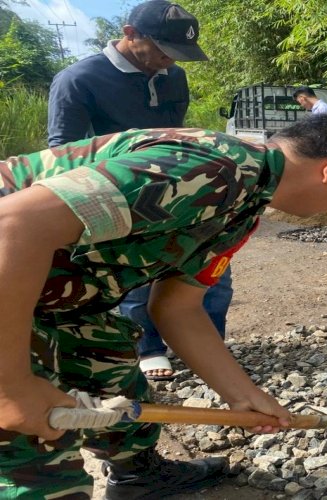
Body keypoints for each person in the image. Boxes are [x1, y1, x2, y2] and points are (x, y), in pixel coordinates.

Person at [0, 113, 327, 498]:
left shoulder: (245, 205)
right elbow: (13, 223)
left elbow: (177, 308)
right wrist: (11, 388)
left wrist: (243, 396)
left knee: (107, 361)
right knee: (35, 455)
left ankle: (136, 475)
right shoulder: (211, 170)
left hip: (55, 298)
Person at [46, 0, 229, 382]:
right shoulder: (78, 79)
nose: (169, 61)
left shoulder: (173, 76)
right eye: (163, 50)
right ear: (130, 34)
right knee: (136, 277)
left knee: (210, 269)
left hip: (177, 188)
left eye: (177, 54)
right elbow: (62, 151)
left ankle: (206, 345)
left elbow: (174, 132)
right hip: (116, 193)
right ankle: (149, 348)